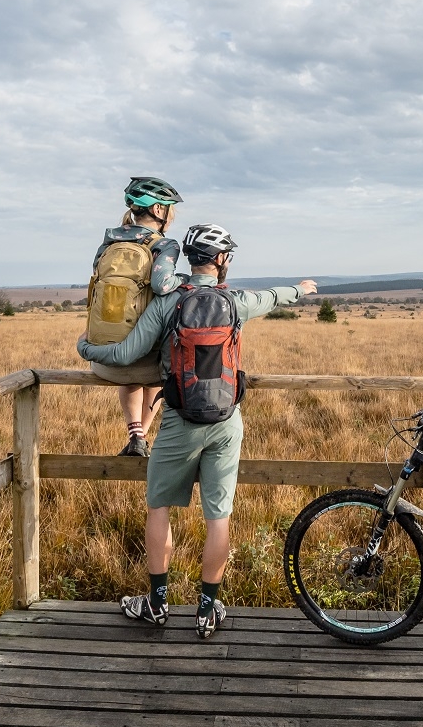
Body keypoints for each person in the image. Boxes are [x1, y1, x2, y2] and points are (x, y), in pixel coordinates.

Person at [76, 223, 317, 639]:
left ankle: (157, 605)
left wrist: (85, 347)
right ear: (220, 260)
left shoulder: (169, 301)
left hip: (178, 421)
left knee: (159, 508)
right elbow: (272, 297)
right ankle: (206, 612)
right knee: (218, 517)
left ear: (190, 259)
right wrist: (300, 288)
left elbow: (127, 353)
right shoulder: (235, 302)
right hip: (226, 422)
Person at [84, 176, 184, 457]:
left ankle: (136, 434)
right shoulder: (164, 245)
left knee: (130, 376)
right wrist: (185, 281)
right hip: (149, 362)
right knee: (152, 375)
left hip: (105, 360)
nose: (171, 216)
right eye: (170, 209)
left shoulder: (108, 243)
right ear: (158, 209)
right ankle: (143, 435)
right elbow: (162, 285)